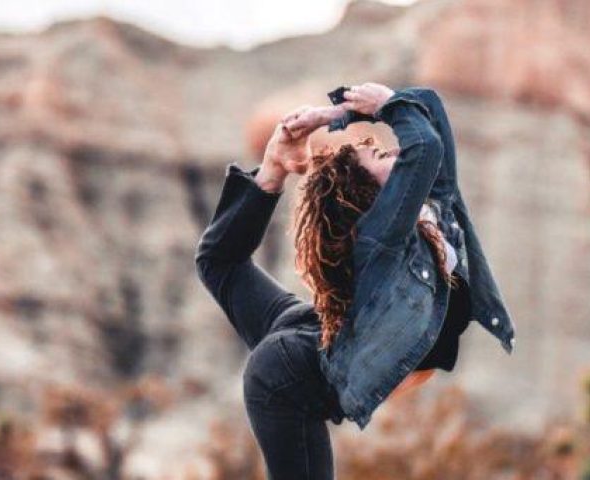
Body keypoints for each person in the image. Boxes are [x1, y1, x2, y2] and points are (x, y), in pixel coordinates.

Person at [195, 83, 515, 479]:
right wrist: (385, 106)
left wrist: (321, 128)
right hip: (288, 378)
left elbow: (431, 117)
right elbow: (423, 148)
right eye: (381, 154)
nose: (394, 149)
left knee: (219, 263)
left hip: (311, 333)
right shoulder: (378, 240)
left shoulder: (432, 213)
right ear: (366, 197)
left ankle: (272, 169)